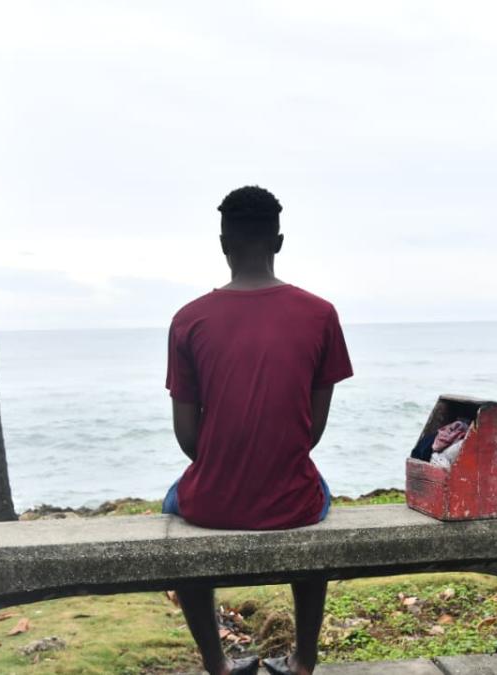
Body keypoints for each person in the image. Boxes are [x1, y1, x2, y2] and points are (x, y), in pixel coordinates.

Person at [162, 185, 353, 675]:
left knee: (171, 508)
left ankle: (216, 665)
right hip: (293, 503)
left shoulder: (188, 320)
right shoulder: (320, 314)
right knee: (315, 495)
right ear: (280, 242)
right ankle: (304, 661)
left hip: (211, 504)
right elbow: (311, 430)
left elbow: (188, 439)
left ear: (223, 244)